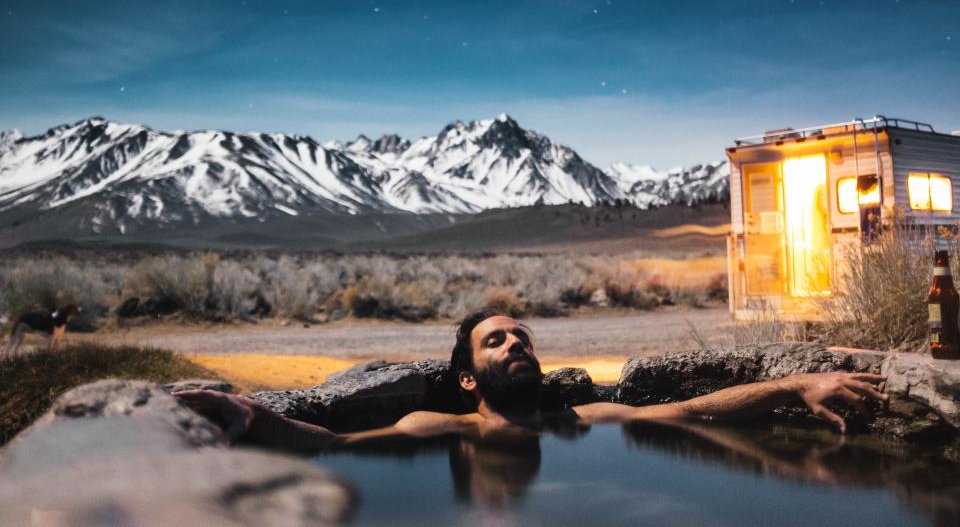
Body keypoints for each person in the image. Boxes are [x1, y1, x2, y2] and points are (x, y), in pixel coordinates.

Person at [174, 310, 888, 451]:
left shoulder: (588, 422)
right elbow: (329, 445)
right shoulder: (434, 430)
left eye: (523, 336)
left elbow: (700, 409)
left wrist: (797, 387)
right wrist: (250, 415)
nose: (516, 342)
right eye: (496, 339)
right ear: (465, 380)